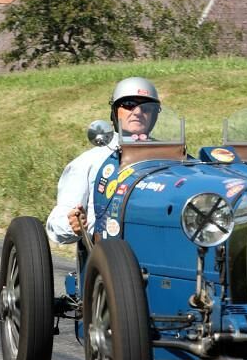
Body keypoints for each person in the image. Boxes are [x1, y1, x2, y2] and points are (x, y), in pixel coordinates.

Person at [46, 77, 161, 244]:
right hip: (106, 254)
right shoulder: (89, 161)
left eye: (146, 107)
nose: (137, 112)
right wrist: (72, 223)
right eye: (129, 104)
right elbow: (56, 224)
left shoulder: (171, 157)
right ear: (115, 111)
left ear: (154, 115)